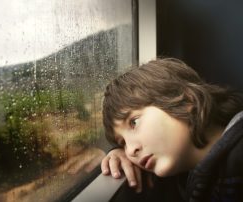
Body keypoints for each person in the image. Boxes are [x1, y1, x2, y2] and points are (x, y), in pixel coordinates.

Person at [101, 58, 243, 201]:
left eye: (134, 122)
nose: (130, 150)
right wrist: (117, 153)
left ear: (186, 99)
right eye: (123, 142)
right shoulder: (180, 173)